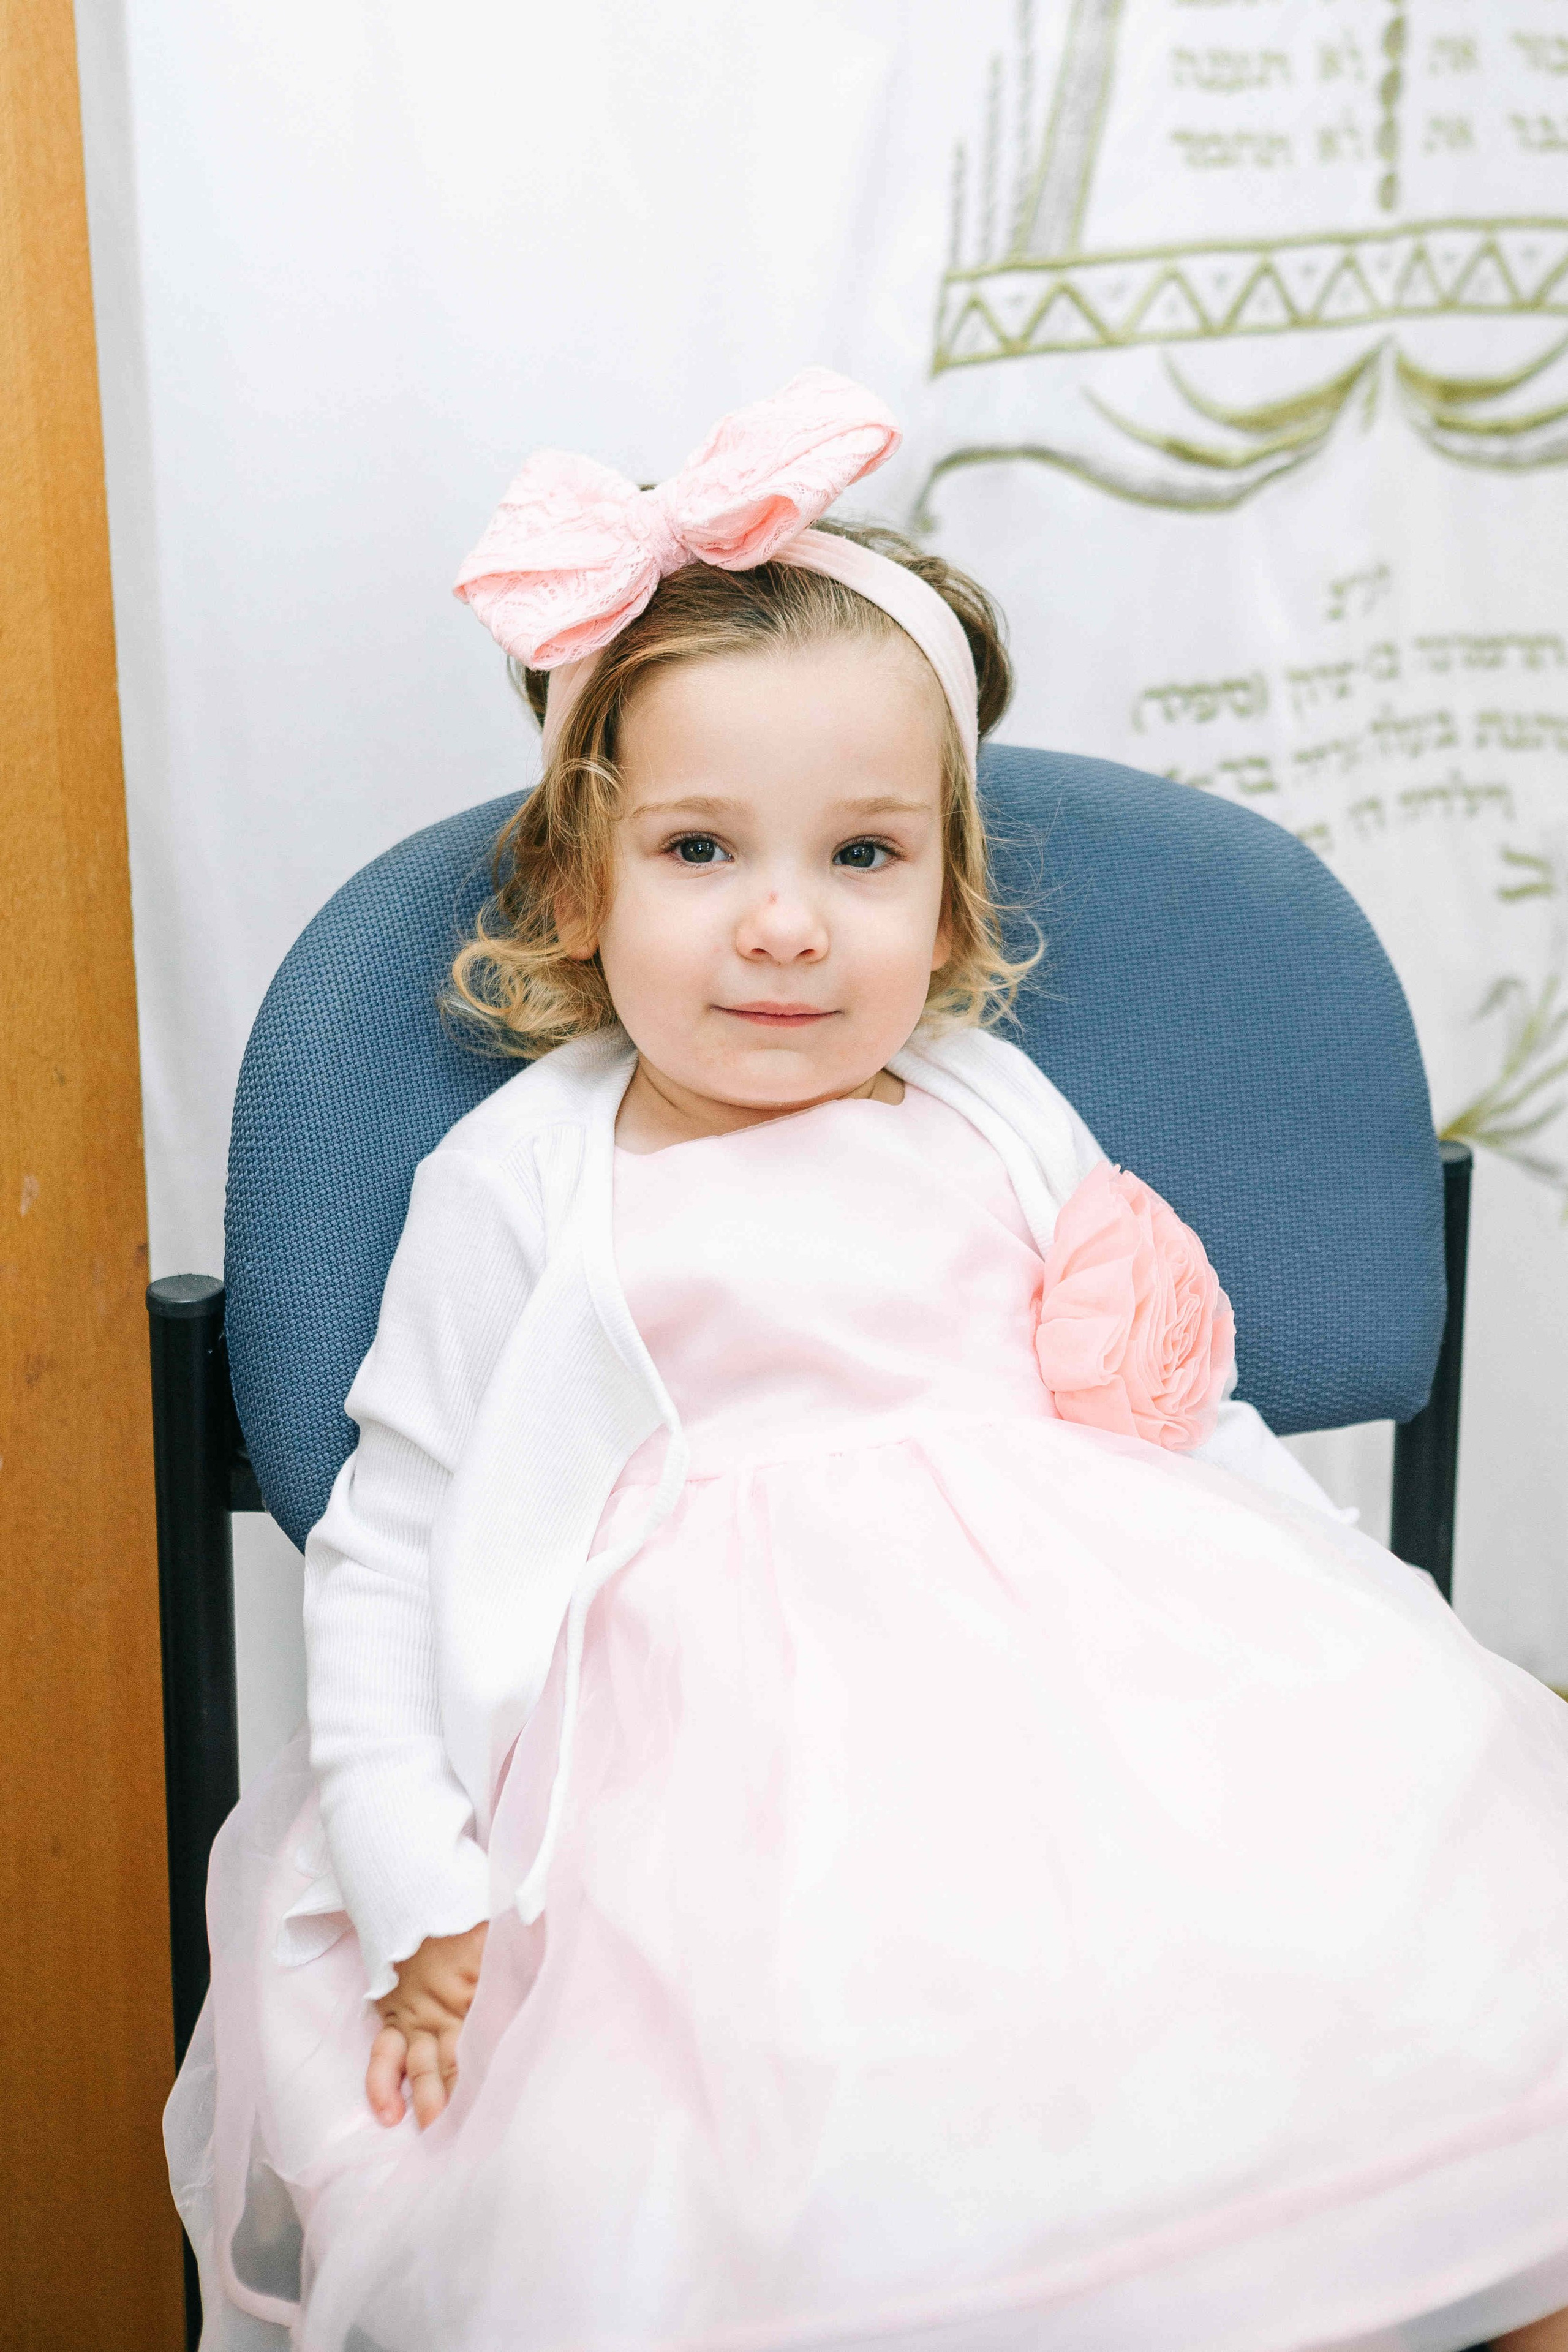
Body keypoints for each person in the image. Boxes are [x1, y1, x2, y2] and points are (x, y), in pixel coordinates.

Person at [167, 371, 1568, 2352]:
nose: (784, 928)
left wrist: (1404, 1648)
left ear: (949, 893)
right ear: (581, 882)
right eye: (702, 852)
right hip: (719, 1823)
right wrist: (417, 1872)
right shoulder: (529, 1181)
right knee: (816, 2205)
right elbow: (394, 1538)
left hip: (1108, 1740)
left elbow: (1183, 1420)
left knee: (1403, 2057)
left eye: (862, 858)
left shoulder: (993, 1114)